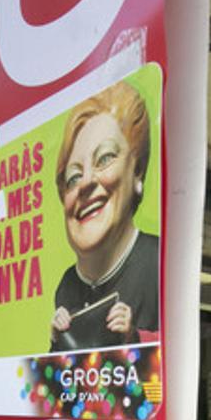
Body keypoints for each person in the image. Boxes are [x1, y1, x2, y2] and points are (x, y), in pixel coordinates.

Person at [49, 80, 159, 352]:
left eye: (105, 158)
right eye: (73, 177)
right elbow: (66, 383)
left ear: (137, 171)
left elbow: (177, 363)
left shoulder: (159, 260)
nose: (86, 182)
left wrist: (134, 337)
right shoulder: (67, 285)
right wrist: (55, 343)